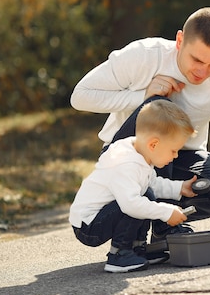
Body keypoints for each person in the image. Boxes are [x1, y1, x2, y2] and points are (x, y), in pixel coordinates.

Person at [70, 7, 210, 241]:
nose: (202, 72)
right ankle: (137, 236)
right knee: (160, 105)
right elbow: (80, 96)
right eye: (197, 59)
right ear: (180, 40)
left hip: (183, 158)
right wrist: (144, 96)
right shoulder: (145, 55)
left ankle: (165, 223)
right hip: (130, 156)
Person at [69, 100, 197, 273]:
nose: (175, 156)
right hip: (89, 226)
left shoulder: (142, 153)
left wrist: (179, 188)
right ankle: (119, 254)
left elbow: (153, 183)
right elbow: (131, 205)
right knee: (137, 203)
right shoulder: (125, 163)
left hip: (107, 213)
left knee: (147, 194)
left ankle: (137, 249)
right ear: (153, 144)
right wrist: (166, 212)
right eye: (173, 150)